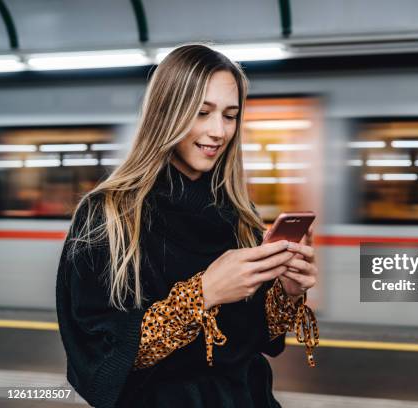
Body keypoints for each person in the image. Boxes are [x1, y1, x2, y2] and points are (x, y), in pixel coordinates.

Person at [55, 44, 319, 408]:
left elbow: (257, 339)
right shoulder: (109, 214)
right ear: (167, 113)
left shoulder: (239, 213)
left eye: (230, 116)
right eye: (202, 112)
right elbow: (102, 357)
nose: (218, 131)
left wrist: (287, 291)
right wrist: (203, 293)